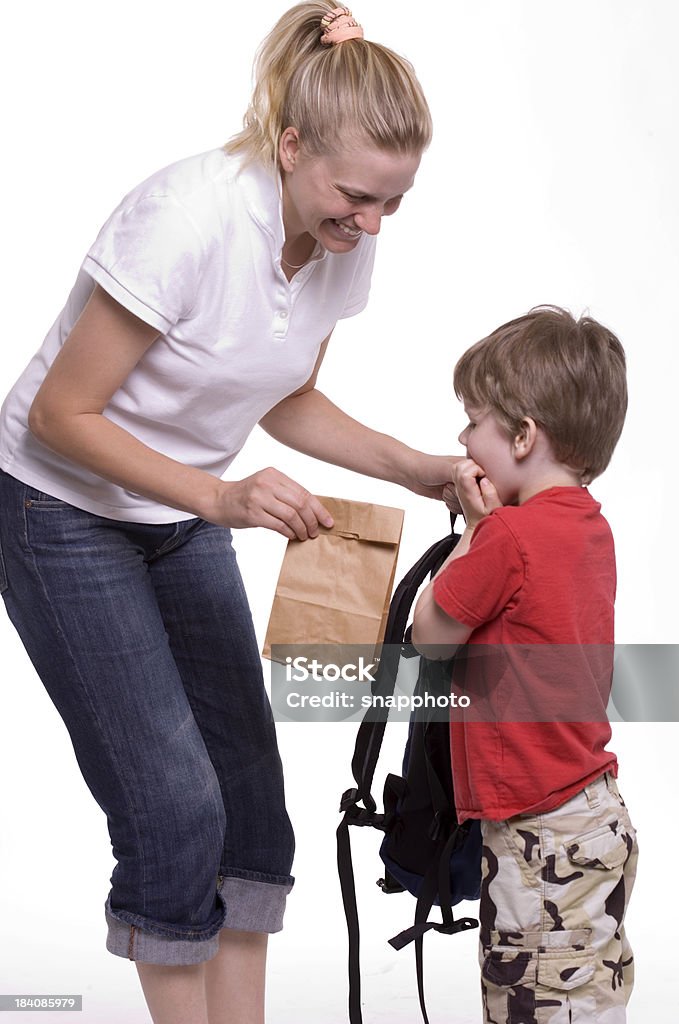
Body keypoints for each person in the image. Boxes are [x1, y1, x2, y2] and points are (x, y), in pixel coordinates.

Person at [0, 5, 457, 1023]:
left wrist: (416, 468)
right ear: (291, 148)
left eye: (393, 201)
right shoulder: (188, 218)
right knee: (174, 804)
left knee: (250, 797)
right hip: (59, 506)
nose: (371, 223)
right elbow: (59, 415)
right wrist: (221, 496)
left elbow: (280, 393)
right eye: (354, 195)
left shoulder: (344, 234)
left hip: (179, 505)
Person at [411, 307, 638, 1023]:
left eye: (473, 419)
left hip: (539, 834)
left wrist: (473, 531)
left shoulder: (505, 535)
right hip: (592, 812)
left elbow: (429, 634)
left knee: (530, 1004)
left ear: (521, 436)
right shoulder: (587, 526)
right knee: (584, 999)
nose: (461, 437)